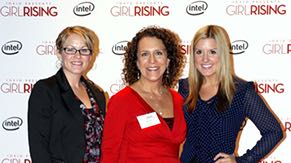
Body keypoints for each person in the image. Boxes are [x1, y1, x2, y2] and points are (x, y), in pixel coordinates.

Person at [178, 24, 284, 163]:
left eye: (212, 52)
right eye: (199, 52)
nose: (205, 59)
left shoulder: (241, 92)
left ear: (222, 54)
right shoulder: (185, 88)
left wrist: (243, 161)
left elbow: (274, 131)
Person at [101, 26, 186, 163]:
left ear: (168, 60)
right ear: (137, 62)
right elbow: (109, 153)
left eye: (158, 53)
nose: (152, 60)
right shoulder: (121, 101)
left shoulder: (178, 100)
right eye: (145, 54)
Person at [28, 25, 107, 163]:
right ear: (59, 53)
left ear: (90, 55)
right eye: (70, 49)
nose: (78, 56)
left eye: (84, 50)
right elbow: (38, 147)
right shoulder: (45, 90)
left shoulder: (97, 94)